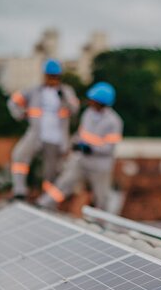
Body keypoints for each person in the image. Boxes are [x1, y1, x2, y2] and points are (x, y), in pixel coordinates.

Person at [37, 82, 123, 211]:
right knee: (65, 183)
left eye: (93, 100)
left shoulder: (113, 121)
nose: (90, 102)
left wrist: (90, 149)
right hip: (82, 160)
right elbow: (80, 134)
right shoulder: (88, 114)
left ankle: (103, 222)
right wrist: (74, 145)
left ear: (101, 102)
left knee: (102, 195)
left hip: (100, 165)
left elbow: (109, 148)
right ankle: (43, 204)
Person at [7, 58, 80, 200]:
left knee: (50, 172)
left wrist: (63, 98)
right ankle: (19, 190)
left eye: (55, 77)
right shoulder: (34, 90)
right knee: (19, 155)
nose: (52, 79)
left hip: (56, 137)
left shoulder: (66, 91)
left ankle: (46, 200)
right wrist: (20, 114)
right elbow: (13, 101)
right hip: (36, 134)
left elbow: (74, 108)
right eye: (50, 76)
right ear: (44, 75)